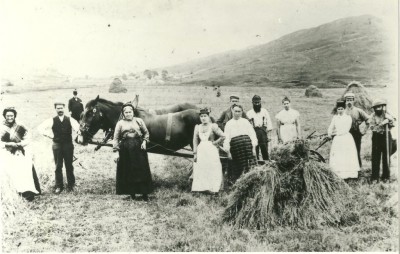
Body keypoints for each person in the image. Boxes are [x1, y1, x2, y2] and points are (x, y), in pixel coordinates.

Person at [113, 102, 152, 201]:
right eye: (126, 112)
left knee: (141, 170)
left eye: (130, 112)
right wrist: (116, 152)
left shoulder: (139, 121)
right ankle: (132, 194)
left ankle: (144, 194)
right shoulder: (120, 123)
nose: (128, 114)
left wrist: (144, 142)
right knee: (129, 171)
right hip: (125, 149)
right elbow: (116, 138)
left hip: (139, 148)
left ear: (133, 112)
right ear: (123, 113)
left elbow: (146, 133)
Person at [38, 102, 80, 194]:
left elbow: (78, 129)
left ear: (64, 108)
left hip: (68, 145)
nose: (60, 110)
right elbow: (40, 128)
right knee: (58, 166)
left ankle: (71, 185)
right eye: (58, 108)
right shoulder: (52, 120)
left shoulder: (70, 119)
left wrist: (75, 137)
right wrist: (50, 135)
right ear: (55, 109)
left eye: (61, 108)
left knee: (69, 165)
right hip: (57, 145)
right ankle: (59, 186)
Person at [1, 107, 41, 201]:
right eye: (8, 116)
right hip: (8, 153)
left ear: (15, 116)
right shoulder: (1, 127)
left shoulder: (20, 126)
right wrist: (8, 144)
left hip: (21, 152)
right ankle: (17, 192)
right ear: (4, 116)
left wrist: (20, 144)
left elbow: (28, 138)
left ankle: (28, 192)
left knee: (25, 171)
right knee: (13, 172)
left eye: (12, 115)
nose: (10, 117)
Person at [192, 108, 225, 193]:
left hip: (211, 150)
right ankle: (202, 188)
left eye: (205, 116)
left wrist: (215, 143)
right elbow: (195, 141)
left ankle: (213, 188)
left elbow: (223, 136)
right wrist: (195, 153)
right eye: (201, 116)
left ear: (208, 117)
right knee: (202, 167)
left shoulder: (213, 126)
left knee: (212, 167)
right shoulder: (197, 127)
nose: (203, 118)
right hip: (201, 150)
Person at [224, 105, 257, 184]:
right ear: (232, 111)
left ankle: (251, 183)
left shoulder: (245, 122)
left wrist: (253, 148)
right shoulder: (229, 124)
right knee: (238, 168)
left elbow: (253, 135)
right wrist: (228, 152)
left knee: (249, 167)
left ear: (242, 112)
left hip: (247, 147)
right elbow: (226, 139)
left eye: (239, 111)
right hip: (236, 148)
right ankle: (239, 185)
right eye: (236, 111)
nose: (237, 113)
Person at [327, 101, 360, 179]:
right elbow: (331, 126)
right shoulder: (335, 117)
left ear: (344, 109)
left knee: (346, 154)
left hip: (345, 138)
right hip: (337, 139)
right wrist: (329, 133)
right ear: (337, 110)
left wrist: (336, 133)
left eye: (342, 109)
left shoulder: (348, 118)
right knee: (338, 155)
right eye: (339, 109)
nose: (340, 110)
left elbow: (346, 129)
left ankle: (349, 174)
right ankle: (338, 173)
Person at [367, 99, 395, 183]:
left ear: (382, 107)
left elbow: (393, 123)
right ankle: (375, 177)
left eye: (380, 107)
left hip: (387, 136)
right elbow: (372, 127)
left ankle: (386, 176)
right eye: (376, 107)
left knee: (386, 156)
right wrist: (382, 123)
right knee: (376, 157)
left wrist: (389, 120)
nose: (378, 109)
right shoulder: (372, 116)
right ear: (374, 108)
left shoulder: (387, 114)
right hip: (376, 137)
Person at [344, 92, 370, 167]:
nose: (349, 101)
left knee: (356, 150)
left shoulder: (358, 111)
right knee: (347, 150)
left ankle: (358, 166)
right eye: (347, 99)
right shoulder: (343, 111)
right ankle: (348, 167)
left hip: (356, 133)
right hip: (346, 133)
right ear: (345, 101)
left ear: (353, 100)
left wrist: (364, 130)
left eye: (351, 100)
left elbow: (368, 119)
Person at [247, 95, 273, 160]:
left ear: (260, 102)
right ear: (252, 103)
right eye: (255, 103)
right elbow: (247, 125)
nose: (257, 104)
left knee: (264, 148)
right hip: (254, 133)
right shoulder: (249, 113)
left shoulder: (264, 111)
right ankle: (256, 162)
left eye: (258, 102)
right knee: (255, 148)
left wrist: (268, 135)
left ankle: (266, 162)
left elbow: (269, 123)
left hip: (263, 132)